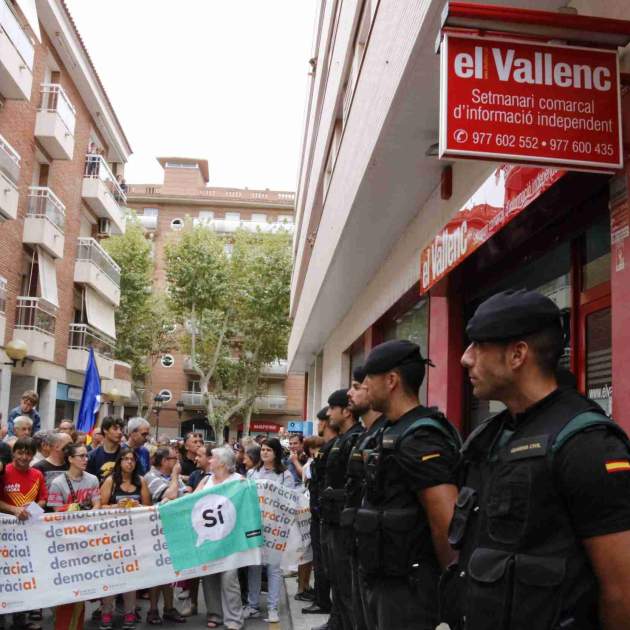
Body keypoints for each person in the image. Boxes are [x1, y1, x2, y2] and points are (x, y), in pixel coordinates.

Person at [443, 289, 630, 630]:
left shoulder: (586, 444)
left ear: (517, 355)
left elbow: (622, 592)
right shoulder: (488, 439)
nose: (465, 358)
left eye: (478, 345)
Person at [360, 339, 460, 630]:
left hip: (412, 590)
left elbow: (446, 523)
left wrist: (453, 595)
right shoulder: (390, 429)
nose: (364, 385)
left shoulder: (422, 436)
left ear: (391, 380)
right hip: (385, 581)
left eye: (369, 377)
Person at [343, 366, 387, 630]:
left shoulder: (389, 433)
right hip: (361, 543)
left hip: (390, 559)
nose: (350, 393)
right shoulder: (366, 435)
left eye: (357, 387)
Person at [319, 389, 364, 630]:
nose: (328, 413)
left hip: (342, 522)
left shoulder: (356, 439)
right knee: (335, 577)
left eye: (332, 408)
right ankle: (336, 622)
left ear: (346, 411)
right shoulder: (340, 440)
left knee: (346, 584)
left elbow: (354, 486)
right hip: (330, 519)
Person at [47, 442, 100, 629]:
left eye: (87, 456)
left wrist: (88, 514)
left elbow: (97, 505)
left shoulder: (92, 479)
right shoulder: (57, 483)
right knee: (65, 592)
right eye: (81, 456)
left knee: (81, 591)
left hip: (85, 542)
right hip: (65, 544)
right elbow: (55, 512)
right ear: (70, 459)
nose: (86, 459)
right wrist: (71, 509)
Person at [99, 448, 151, 629]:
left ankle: (130, 612)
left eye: (132, 459)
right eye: (126, 459)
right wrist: (115, 506)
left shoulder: (140, 481)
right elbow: (100, 507)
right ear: (119, 462)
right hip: (112, 536)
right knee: (110, 575)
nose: (129, 462)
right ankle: (106, 612)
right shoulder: (111, 481)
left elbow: (149, 507)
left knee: (131, 575)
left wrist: (138, 506)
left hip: (134, 536)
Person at [244, 438, 293, 623]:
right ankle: (253, 605)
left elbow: (289, 500)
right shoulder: (252, 473)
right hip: (255, 526)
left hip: (276, 528)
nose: (264, 453)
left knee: (274, 568)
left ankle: (273, 608)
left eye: (268, 450)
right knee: (254, 566)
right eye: (263, 449)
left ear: (276, 453)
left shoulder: (285, 475)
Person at [196, 447, 245, 629]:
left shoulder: (239, 481)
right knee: (209, 577)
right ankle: (215, 614)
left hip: (231, 539)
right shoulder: (206, 480)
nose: (209, 461)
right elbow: (192, 500)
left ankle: (234, 619)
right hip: (209, 539)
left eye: (213, 458)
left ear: (223, 463)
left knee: (229, 578)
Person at [0, 438, 46, 630]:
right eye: (20, 452)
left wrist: (32, 508)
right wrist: (14, 509)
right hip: (4, 535)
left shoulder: (37, 474)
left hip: (28, 535)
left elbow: (43, 499)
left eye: (28, 453)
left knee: (24, 576)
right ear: (13, 453)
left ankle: (20, 620)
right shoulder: (3, 472)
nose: (24, 457)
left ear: (33, 455)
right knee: (3, 576)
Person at [144, 446, 187, 624]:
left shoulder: (173, 478)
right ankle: (153, 610)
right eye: (174, 459)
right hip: (156, 529)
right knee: (156, 571)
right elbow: (171, 494)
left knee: (170, 570)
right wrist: (175, 478)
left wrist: (176, 485)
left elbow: (186, 493)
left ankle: (169, 608)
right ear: (164, 461)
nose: (177, 463)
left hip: (174, 528)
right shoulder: (151, 477)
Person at [303, 407, 337, 621]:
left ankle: (324, 601)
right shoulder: (328, 448)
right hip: (319, 513)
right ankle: (321, 599)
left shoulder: (334, 447)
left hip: (327, 515)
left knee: (325, 562)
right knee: (319, 560)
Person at [33, 431, 72, 498]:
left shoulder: (71, 465)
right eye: (69, 445)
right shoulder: (38, 467)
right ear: (57, 447)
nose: (73, 448)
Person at [87, 416, 124, 482]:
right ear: (105, 430)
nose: (119, 432)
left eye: (121, 429)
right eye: (115, 429)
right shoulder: (92, 456)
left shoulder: (127, 455)